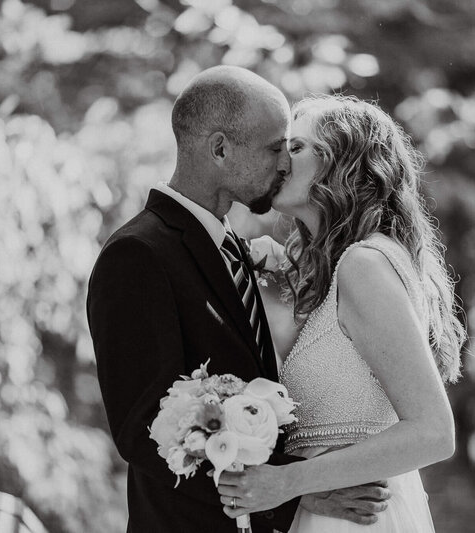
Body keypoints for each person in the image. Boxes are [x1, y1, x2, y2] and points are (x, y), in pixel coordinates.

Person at [86, 68, 391, 533]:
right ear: (221, 149)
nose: (285, 164)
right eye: (274, 148)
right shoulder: (138, 254)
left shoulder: (235, 245)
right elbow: (143, 429)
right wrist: (292, 487)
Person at [216, 95, 466, 532]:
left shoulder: (364, 266)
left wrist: (286, 481)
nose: (279, 161)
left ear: (344, 164)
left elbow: (433, 432)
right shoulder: (350, 268)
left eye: (295, 148)